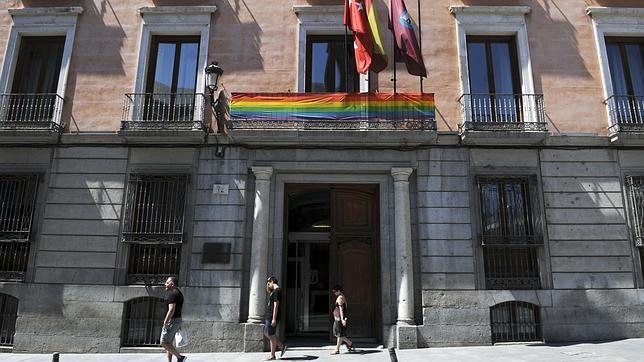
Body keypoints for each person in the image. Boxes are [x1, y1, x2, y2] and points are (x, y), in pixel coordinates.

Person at [160, 276, 187, 362]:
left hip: (172, 320)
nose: (165, 284)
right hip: (176, 319)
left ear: (172, 284)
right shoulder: (178, 293)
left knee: (163, 342)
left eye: (167, 283)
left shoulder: (173, 294)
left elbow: (171, 310)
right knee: (169, 343)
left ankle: (180, 357)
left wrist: (166, 321)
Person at [264, 276, 287, 360]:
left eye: (269, 283)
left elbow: (276, 305)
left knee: (270, 334)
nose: (268, 285)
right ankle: (281, 346)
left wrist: (274, 318)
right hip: (269, 315)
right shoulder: (275, 291)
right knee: (268, 333)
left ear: (272, 281)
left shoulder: (277, 291)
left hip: (271, 316)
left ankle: (273, 355)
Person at [331, 285, 354, 355]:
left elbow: (341, 309)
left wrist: (342, 319)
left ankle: (337, 349)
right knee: (338, 334)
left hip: (339, 319)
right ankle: (349, 342)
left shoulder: (340, 297)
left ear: (339, 291)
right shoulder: (340, 296)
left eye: (335, 291)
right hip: (337, 319)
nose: (334, 293)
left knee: (339, 335)